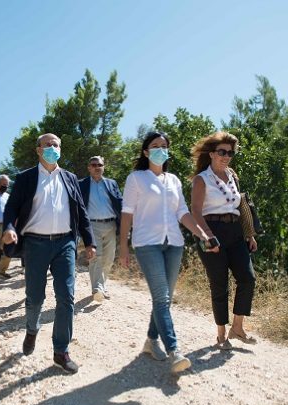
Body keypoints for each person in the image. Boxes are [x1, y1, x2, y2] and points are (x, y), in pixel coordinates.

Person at [119, 131, 218, 374]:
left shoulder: (173, 180)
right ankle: (175, 351)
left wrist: (203, 235)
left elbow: (182, 212)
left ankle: (151, 341)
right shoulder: (136, 178)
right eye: (155, 146)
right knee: (162, 298)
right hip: (147, 244)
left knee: (163, 298)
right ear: (145, 152)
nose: (160, 149)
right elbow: (127, 213)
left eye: (164, 146)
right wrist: (123, 246)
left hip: (174, 243)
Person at [2, 133, 96, 374]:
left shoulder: (70, 178)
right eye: (47, 145)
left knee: (66, 296)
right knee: (35, 297)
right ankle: (32, 329)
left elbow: (81, 212)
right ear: (38, 150)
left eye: (56, 145)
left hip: (65, 243)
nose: (52, 148)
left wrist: (89, 242)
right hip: (35, 243)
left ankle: (61, 351)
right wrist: (10, 228)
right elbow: (12, 206)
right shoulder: (26, 178)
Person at [190, 131, 257, 350]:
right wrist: (209, 237)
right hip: (211, 230)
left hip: (235, 232)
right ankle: (221, 335)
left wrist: (249, 234)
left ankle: (237, 328)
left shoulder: (232, 175)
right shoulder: (202, 179)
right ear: (211, 154)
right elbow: (196, 213)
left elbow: (241, 205)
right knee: (220, 284)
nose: (227, 156)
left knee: (247, 278)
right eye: (222, 152)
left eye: (230, 152)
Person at [79, 155, 123, 302]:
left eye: (99, 165)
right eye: (93, 165)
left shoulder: (112, 183)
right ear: (89, 168)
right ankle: (97, 288)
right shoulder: (82, 184)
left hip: (111, 225)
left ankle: (102, 286)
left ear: (103, 167)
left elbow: (120, 203)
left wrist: (124, 225)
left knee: (109, 259)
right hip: (92, 225)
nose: (97, 167)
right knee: (96, 257)